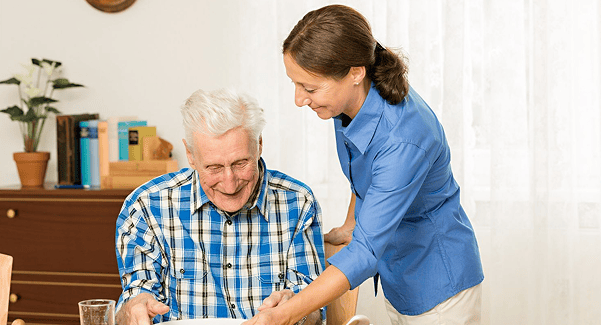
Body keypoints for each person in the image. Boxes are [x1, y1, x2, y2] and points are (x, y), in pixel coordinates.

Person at [245, 4, 484, 325]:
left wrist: (286, 314)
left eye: (310, 88)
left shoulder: (403, 139)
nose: (299, 99)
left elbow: (366, 251)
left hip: (438, 286)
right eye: (296, 84)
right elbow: (366, 176)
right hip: (400, 276)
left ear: (356, 72)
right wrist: (349, 226)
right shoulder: (347, 103)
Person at [115, 89, 325, 325]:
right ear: (190, 155)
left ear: (259, 145)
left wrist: (298, 308)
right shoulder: (146, 206)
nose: (229, 182)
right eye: (214, 167)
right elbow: (134, 301)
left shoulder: (298, 202)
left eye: (240, 163)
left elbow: (315, 313)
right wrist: (133, 307)